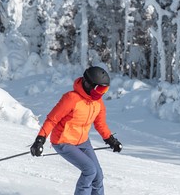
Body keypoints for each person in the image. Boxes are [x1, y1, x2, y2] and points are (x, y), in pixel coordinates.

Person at [30, 66, 123, 195]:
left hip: (83, 141)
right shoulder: (71, 99)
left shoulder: (98, 102)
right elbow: (52, 119)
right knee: (90, 170)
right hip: (63, 141)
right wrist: (40, 140)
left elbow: (100, 123)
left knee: (98, 176)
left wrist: (111, 140)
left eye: (105, 89)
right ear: (88, 84)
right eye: (100, 89)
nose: (102, 93)